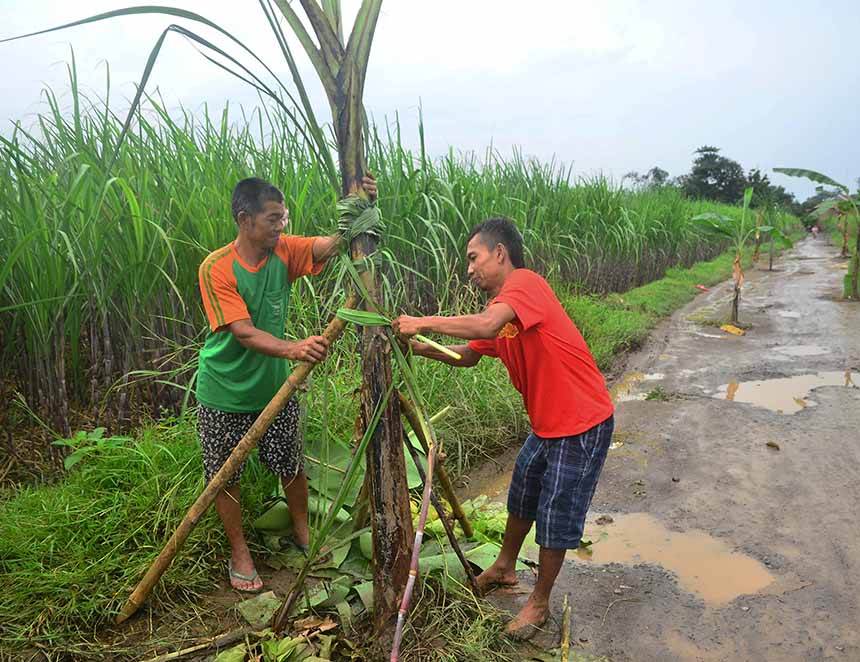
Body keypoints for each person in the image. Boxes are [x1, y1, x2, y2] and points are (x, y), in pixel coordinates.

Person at [394, 217, 615, 639]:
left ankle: (539, 603)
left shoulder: (525, 285)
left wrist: (422, 321)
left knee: (555, 514)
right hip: (548, 424)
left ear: (500, 253)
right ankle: (504, 567)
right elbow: (470, 353)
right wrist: (421, 349)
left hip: (582, 421)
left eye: (473, 258)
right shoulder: (502, 309)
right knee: (523, 493)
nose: (469, 269)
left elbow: (484, 327)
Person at [196, 174, 378, 592]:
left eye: (285, 217)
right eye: (274, 218)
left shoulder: (284, 251)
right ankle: (240, 554)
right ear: (245, 220)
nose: (282, 226)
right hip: (224, 393)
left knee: (291, 465)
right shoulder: (216, 267)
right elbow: (242, 331)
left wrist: (361, 205)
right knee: (227, 476)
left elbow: (329, 246)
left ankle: (303, 531)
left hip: (276, 390)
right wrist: (294, 348)